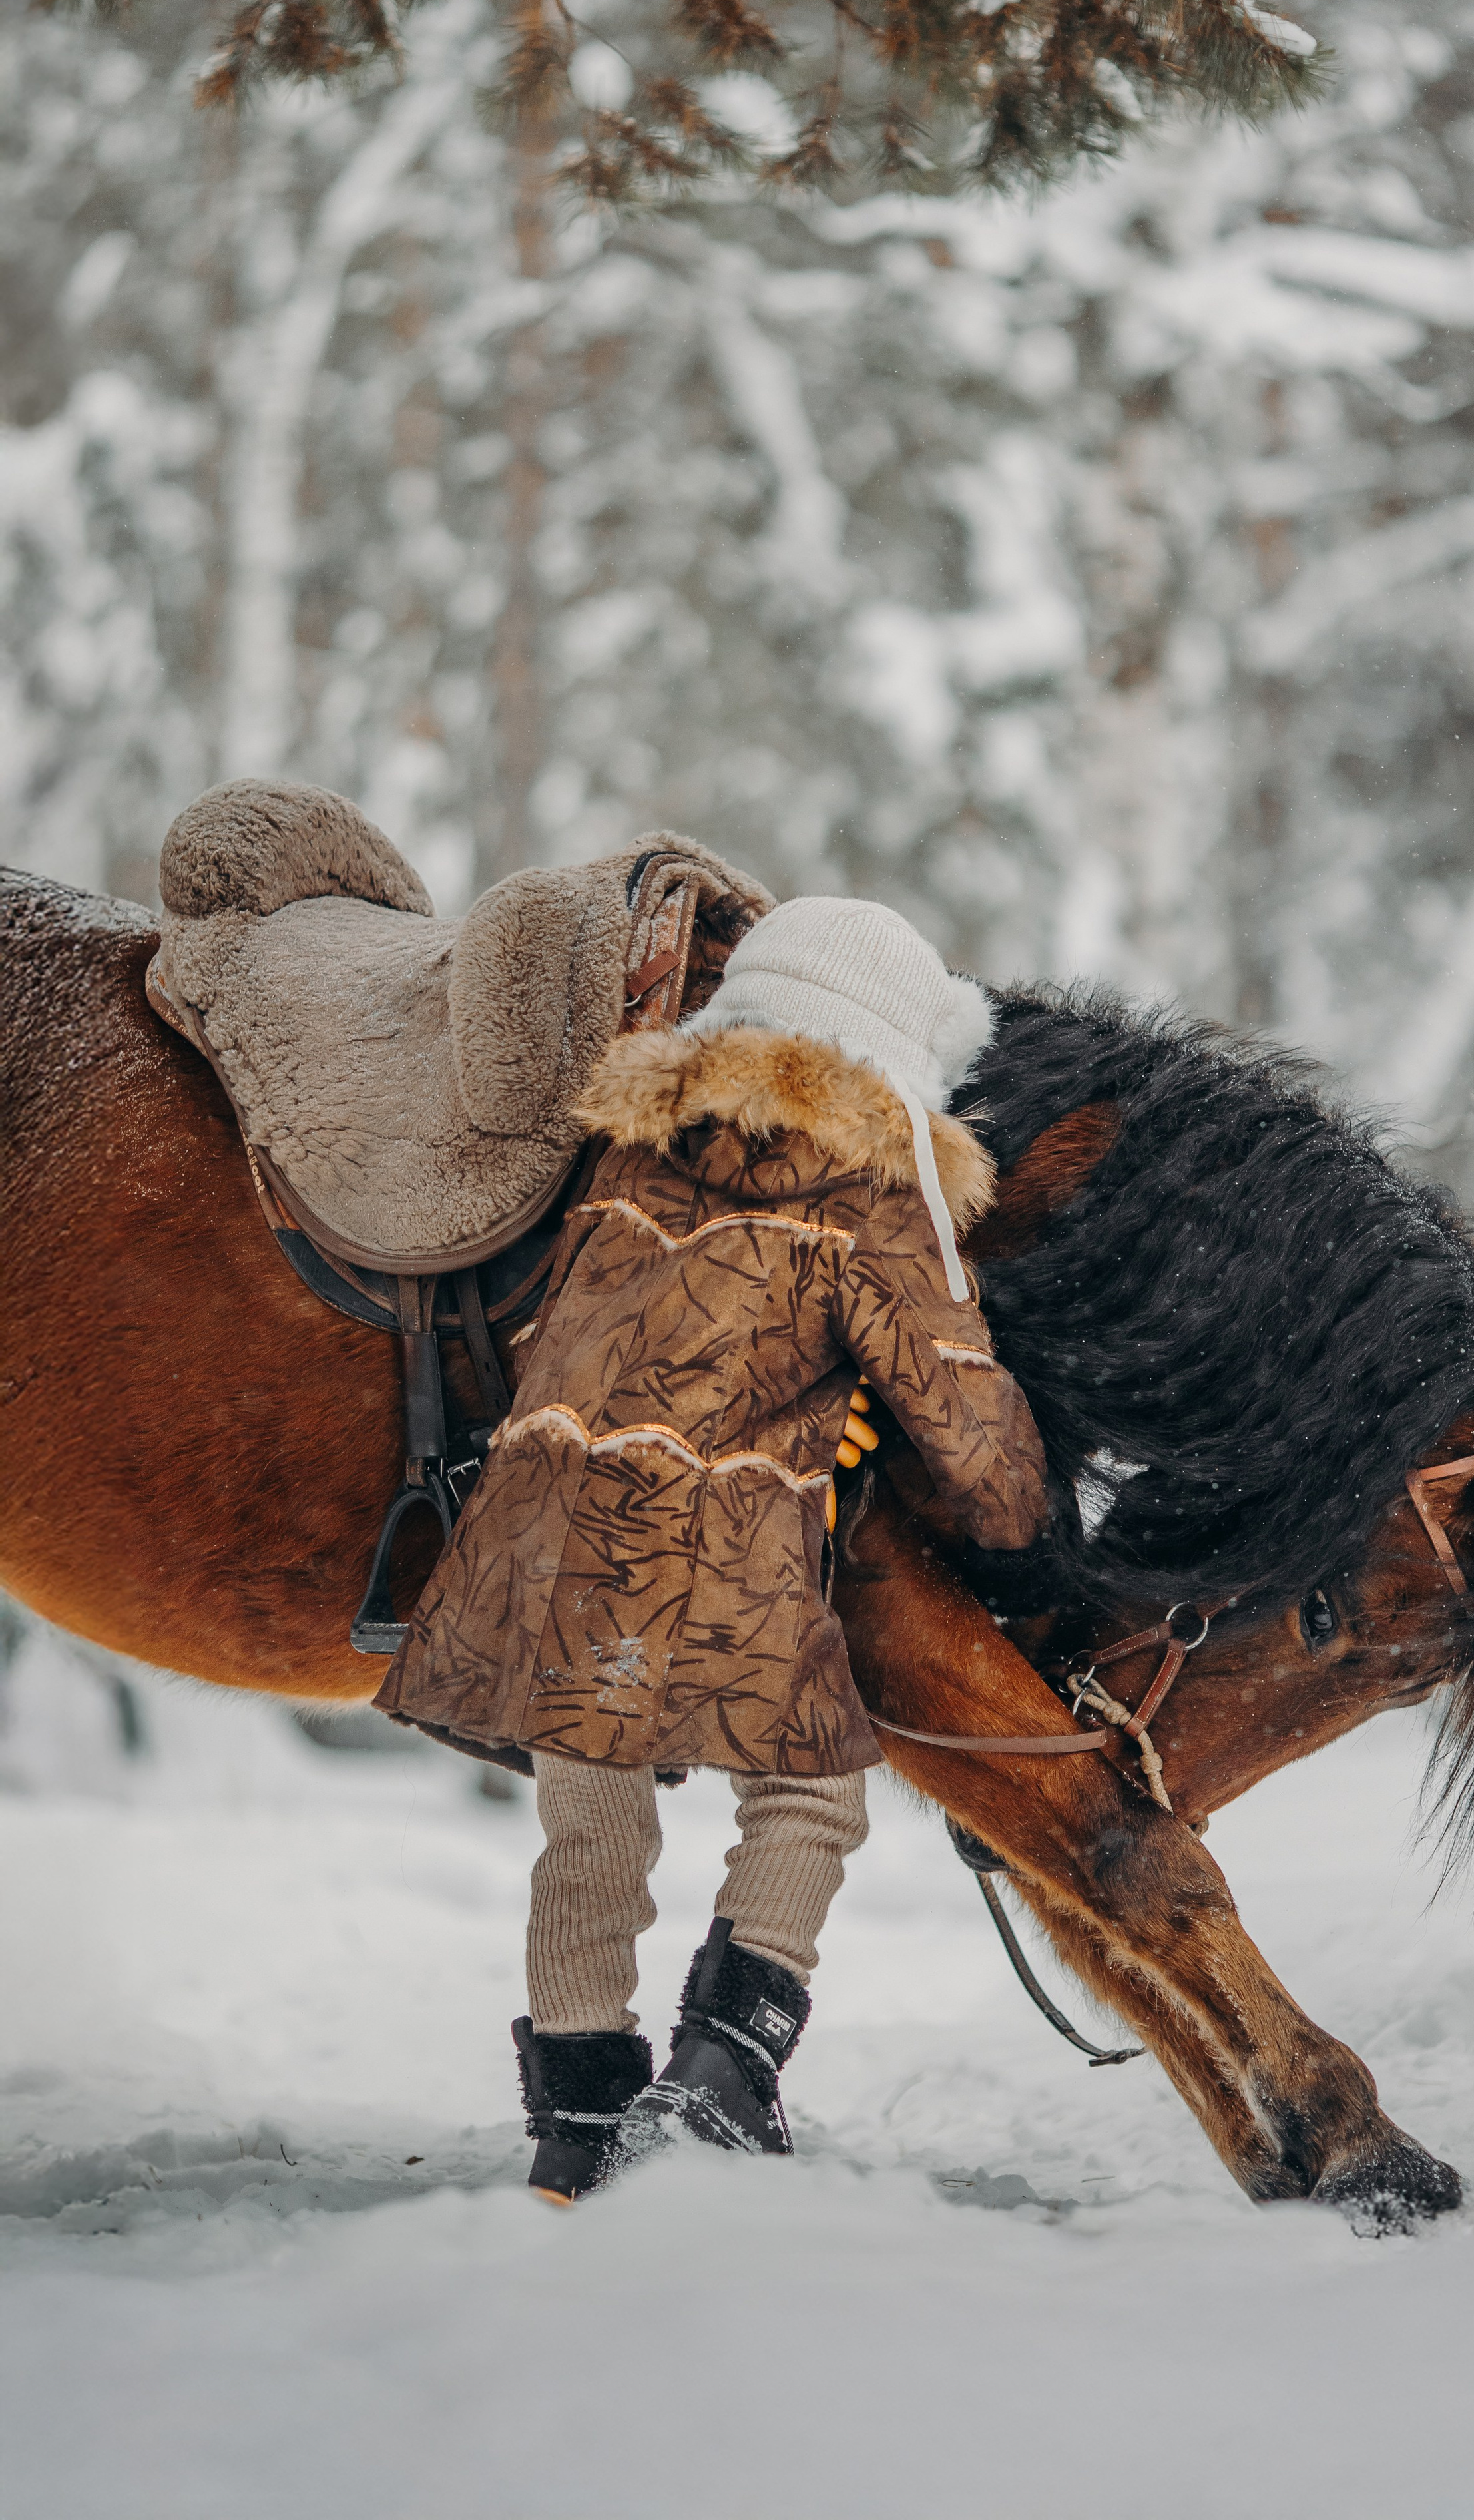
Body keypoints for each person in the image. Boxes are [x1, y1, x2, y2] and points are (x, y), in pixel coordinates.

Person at [375, 895, 1049, 2198]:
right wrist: (1018, 1518)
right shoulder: (872, 1182)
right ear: (899, 1043)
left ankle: (577, 2125)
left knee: (588, 1825)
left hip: (557, 1524)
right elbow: (955, 1402)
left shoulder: (639, 1143)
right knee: (807, 1792)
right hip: (729, 1536)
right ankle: (728, 2064)